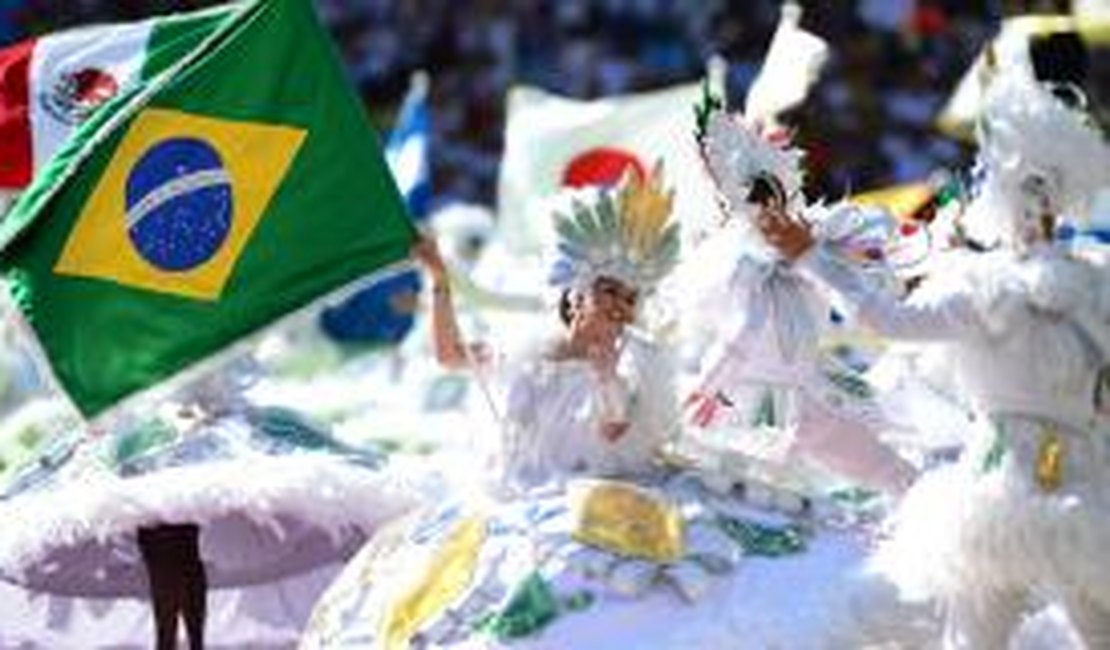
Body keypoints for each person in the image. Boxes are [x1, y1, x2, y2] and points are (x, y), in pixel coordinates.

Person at [303, 166, 884, 650]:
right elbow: (452, 356)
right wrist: (438, 280)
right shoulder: (526, 346)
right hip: (512, 498)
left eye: (629, 299)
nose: (619, 306)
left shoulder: (637, 357)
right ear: (576, 293)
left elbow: (615, 426)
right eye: (609, 291)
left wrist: (607, 372)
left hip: (609, 493)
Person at [757, 69, 1110, 647]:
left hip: (1029, 483)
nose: (1035, 205)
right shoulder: (1073, 280)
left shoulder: (1003, 283)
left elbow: (883, 318)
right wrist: (811, 255)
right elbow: (886, 319)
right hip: (1045, 483)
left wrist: (811, 255)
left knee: (986, 635)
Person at [682, 108, 916, 496]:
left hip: (805, 387)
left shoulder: (810, 246)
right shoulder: (740, 260)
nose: (770, 209)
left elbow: (854, 294)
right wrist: (707, 388)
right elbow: (744, 332)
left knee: (875, 472)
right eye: (758, 198)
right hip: (756, 401)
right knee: (764, 497)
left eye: (774, 196)